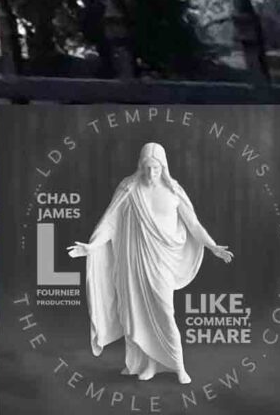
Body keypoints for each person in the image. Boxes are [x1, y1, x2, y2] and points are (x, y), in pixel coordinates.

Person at [68, 141, 233, 385]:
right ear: (140, 165)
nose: (151, 173)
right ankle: (148, 364)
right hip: (134, 262)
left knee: (165, 313)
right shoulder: (129, 189)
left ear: (163, 167)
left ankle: (178, 366)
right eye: (146, 167)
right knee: (137, 313)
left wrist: (213, 246)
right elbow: (110, 223)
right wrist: (92, 247)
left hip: (162, 262)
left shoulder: (174, 191)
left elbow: (193, 224)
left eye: (156, 168)